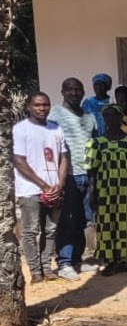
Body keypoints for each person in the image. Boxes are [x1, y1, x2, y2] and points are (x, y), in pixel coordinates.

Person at [86, 105, 127, 275]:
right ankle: (112, 261)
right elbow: (91, 170)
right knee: (108, 226)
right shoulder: (96, 143)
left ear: (120, 117)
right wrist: (92, 192)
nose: (109, 119)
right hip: (106, 192)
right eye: (106, 116)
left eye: (113, 115)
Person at [14, 92, 70, 283]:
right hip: (30, 189)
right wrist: (44, 185)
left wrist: (60, 184)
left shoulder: (55, 129)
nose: (42, 108)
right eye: (37, 105)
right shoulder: (21, 130)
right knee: (30, 231)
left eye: (45, 105)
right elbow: (19, 161)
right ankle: (35, 271)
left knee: (51, 230)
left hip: (54, 188)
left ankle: (47, 267)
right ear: (29, 106)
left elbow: (64, 157)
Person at [49, 77, 98, 277]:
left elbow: (94, 147)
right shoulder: (55, 115)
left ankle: (77, 260)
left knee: (82, 220)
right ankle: (64, 263)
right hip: (67, 175)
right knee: (67, 220)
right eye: (70, 89)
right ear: (62, 91)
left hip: (86, 174)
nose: (74, 93)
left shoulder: (89, 117)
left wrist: (93, 179)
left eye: (78, 89)